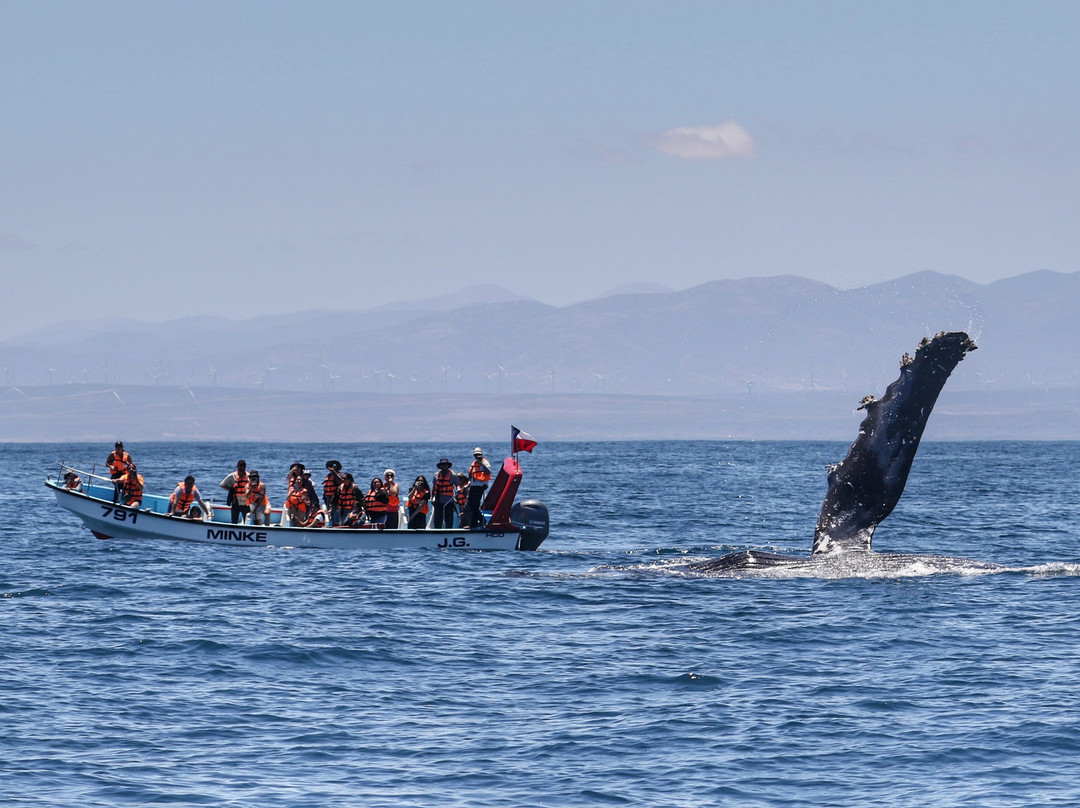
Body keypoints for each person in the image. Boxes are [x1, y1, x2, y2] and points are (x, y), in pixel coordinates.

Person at [465, 447, 492, 528]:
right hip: (473, 485)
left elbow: (488, 472)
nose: (478, 457)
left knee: (475, 504)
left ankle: (474, 523)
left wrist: (481, 464)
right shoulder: (473, 463)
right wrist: (468, 484)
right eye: (476, 455)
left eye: (479, 455)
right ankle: (481, 519)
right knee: (471, 504)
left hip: (481, 486)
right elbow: (470, 475)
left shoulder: (485, 462)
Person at [219, 459, 251, 524]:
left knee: (247, 519)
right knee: (234, 520)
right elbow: (222, 484)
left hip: (245, 500)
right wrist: (231, 489)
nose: (242, 467)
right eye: (240, 466)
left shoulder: (248, 476)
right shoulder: (232, 476)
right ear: (237, 466)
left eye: (243, 466)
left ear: (245, 466)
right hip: (235, 500)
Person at [431, 458, 458, 529]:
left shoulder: (453, 475)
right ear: (440, 466)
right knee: (437, 519)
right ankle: (437, 533)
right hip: (438, 500)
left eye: (445, 465)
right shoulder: (436, 475)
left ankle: (448, 532)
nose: (444, 466)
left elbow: (458, 486)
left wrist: (457, 493)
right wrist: (432, 498)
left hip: (449, 501)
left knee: (449, 519)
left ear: (448, 466)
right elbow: (434, 487)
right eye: (442, 465)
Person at [323, 460, 344, 526]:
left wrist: (334, 472)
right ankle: (332, 524)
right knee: (330, 512)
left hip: (336, 497)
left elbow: (340, 482)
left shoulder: (339, 474)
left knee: (336, 512)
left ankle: (337, 525)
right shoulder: (328, 476)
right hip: (327, 497)